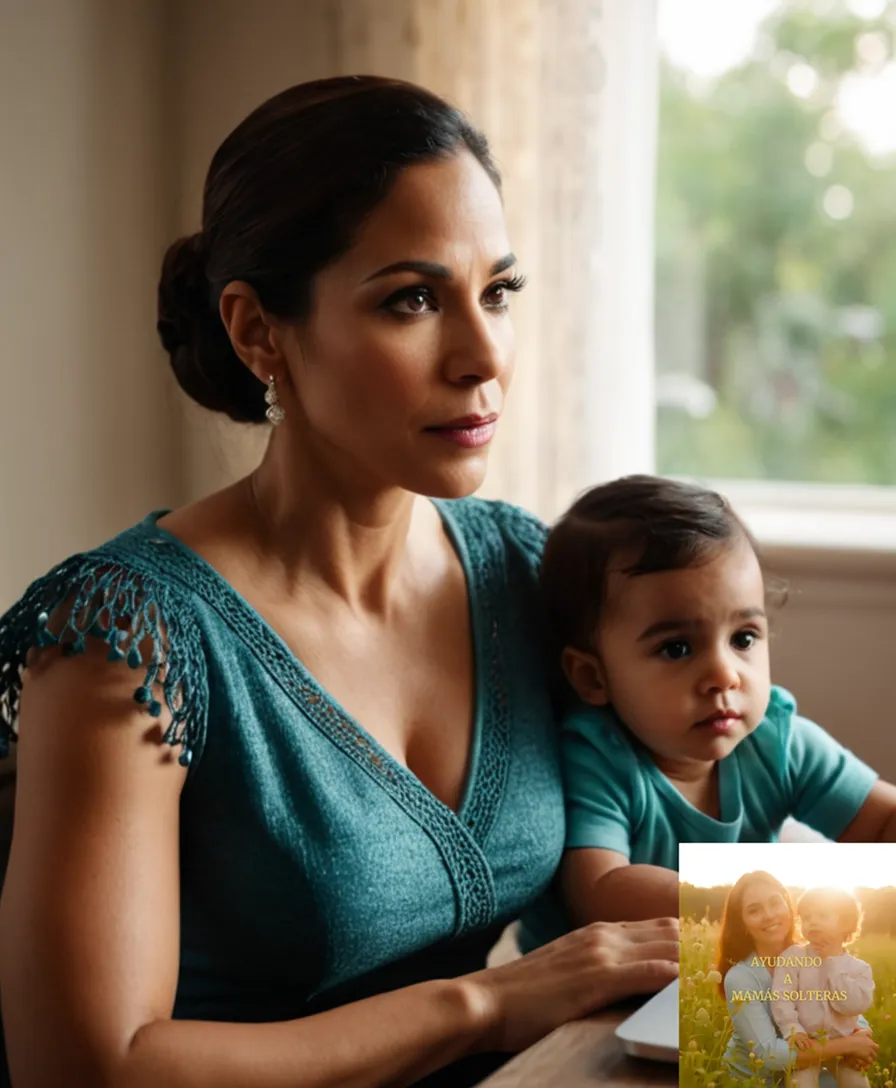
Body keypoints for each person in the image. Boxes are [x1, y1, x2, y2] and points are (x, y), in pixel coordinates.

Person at [0, 76, 679, 1088]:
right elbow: (90, 1066)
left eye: (495, 292)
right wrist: (485, 1001)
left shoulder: (520, 570)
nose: (482, 353)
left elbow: (709, 785)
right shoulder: (129, 637)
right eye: (411, 300)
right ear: (257, 330)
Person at [518, 475, 896, 949]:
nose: (724, 674)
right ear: (594, 678)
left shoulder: (778, 742)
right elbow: (599, 892)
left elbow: (882, 823)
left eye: (743, 638)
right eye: (677, 648)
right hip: (603, 993)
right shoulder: (598, 758)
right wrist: (746, 901)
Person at [717, 872, 877, 1085]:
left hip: (814, 1063)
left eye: (775, 903)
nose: (769, 915)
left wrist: (862, 1033)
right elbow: (768, 1054)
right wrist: (849, 1045)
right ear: (743, 923)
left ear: (788, 906)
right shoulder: (741, 977)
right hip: (758, 1079)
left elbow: (842, 1006)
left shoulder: (817, 953)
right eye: (754, 910)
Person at [770, 887, 874, 1088]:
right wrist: (793, 1030)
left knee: (857, 1083)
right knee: (801, 1083)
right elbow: (782, 997)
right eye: (807, 917)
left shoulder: (859, 969)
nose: (813, 922)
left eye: (823, 915)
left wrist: (833, 962)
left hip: (844, 1047)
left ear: (845, 924)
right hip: (807, 1043)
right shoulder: (792, 958)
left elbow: (852, 1006)